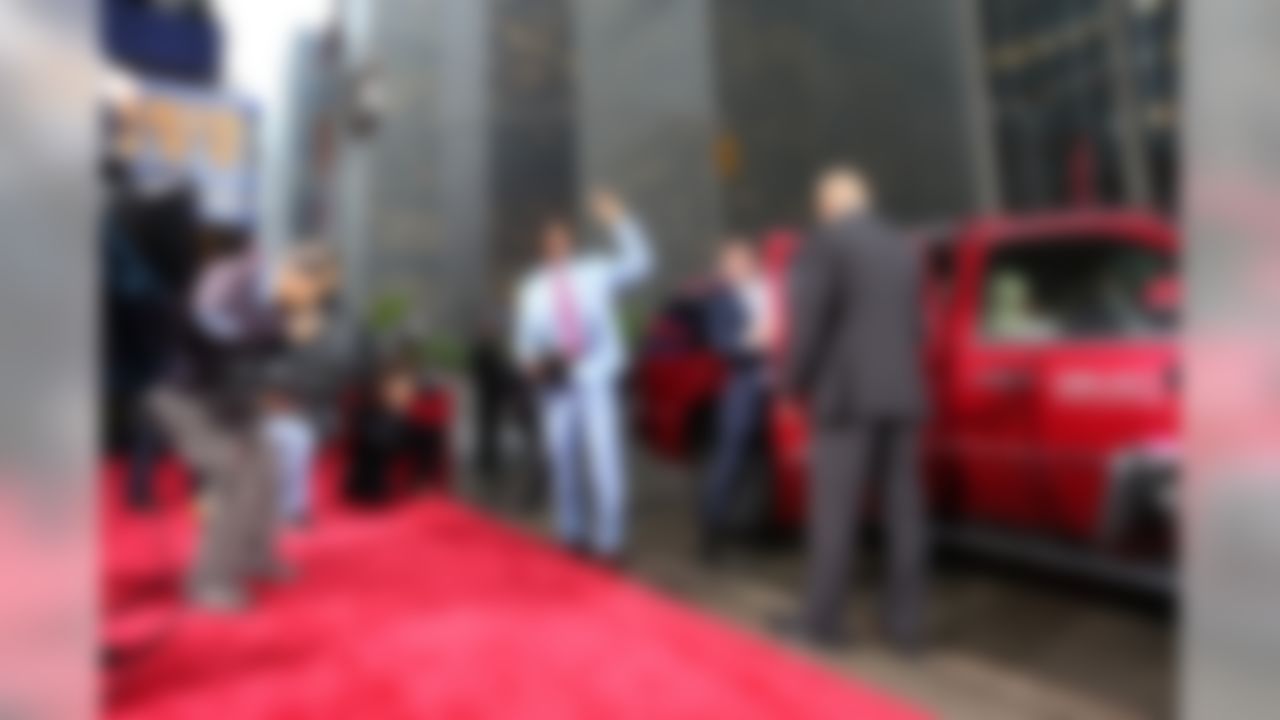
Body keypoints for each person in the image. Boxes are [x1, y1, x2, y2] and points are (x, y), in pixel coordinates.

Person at [774, 166, 929, 653]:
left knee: (834, 512)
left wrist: (791, 384)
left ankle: (823, 623)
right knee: (905, 511)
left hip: (846, 395)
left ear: (827, 203)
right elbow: (916, 326)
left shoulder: (825, 243)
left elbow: (810, 322)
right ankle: (906, 629)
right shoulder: (901, 246)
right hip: (901, 392)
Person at [148, 230, 290, 611]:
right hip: (187, 402)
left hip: (230, 402)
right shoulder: (216, 295)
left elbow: (265, 353)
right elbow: (224, 354)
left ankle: (253, 554)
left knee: (269, 464)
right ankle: (208, 582)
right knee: (239, 474)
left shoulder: (264, 296)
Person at [513, 190, 653, 565]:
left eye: (563, 237)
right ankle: (571, 532)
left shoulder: (595, 272)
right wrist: (529, 360)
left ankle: (611, 541)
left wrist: (619, 219)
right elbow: (526, 339)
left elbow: (641, 264)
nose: (557, 244)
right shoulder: (532, 289)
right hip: (557, 383)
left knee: (606, 460)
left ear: (571, 241)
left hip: (596, 375)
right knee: (562, 459)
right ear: (543, 246)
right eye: (550, 239)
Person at [699, 240, 775, 562]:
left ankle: (761, 527)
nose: (734, 267)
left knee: (770, 462)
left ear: (751, 261)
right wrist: (752, 341)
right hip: (744, 387)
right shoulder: (719, 300)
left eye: (740, 259)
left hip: (783, 388)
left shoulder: (775, 288)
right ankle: (711, 532)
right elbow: (720, 343)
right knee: (730, 459)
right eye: (728, 262)